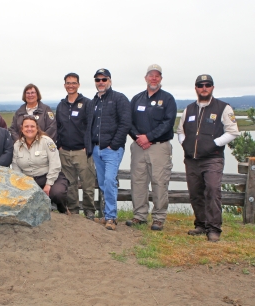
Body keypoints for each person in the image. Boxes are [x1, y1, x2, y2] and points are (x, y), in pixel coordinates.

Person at [177, 75, 240, 242]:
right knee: (195, 192)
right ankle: (201, 224)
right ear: (196, 88)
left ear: (212, 87)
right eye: (200, 85)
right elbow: (180, 131)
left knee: (212, 190)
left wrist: (213, 144)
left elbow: (232, 131)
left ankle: (214, 228)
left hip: (212, 158)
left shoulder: (223, 108)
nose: (204, 88)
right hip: (192, 159)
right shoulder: (188, 110)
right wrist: (186, 145)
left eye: (207, 85)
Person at [127, 64, 177, 231]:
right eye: (151, 75)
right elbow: (129, 122)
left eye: (157, 75)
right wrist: (138, 138)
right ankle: (139, 215)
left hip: (159, 147)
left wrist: (149, 137)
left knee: (159, 182)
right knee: (138, 181)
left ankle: (158, 217)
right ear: (145, 77)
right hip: (138, 147)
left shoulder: (168, 99)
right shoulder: (137, 99)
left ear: (161, 78)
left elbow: (168, 122)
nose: (153, 78)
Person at [84, 69, 131, 230]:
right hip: (96, 149)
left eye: (104, 79)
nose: (101, 82)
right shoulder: (93, 103)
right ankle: (106, 215)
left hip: (112, 149)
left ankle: (111, 217)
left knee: (110, 181)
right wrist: (89, 146)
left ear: (110, 81)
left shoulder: (119, 99)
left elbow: (125, 123)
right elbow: (88, 126)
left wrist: (114, 144)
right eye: (98, 80)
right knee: (103, 183)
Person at [56, 73, 96, 219]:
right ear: (64, 85)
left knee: (87, 183)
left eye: (73, 83)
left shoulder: (87, 103)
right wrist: (59, 145)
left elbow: (92, 126)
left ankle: (89, 210)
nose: (70, 85)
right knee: (70, 184)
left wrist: (88, 146)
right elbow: (58, 127)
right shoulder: (61, 105)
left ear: (78, 84)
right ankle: (73, 210)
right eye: (68, 83)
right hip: (65, 151)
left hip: (82, 151)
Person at [12, 116, 69, 213]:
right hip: (29, 180)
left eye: (32, 126)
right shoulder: (17, 145)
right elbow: (15, 166)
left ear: (37, 128)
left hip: (49, 176)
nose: (29, 129)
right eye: (26, 126)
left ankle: (63, 211)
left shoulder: (47, 141)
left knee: (57, 193)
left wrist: (48, 184)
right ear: (22, 129)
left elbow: (55, 164)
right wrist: (21, 184)